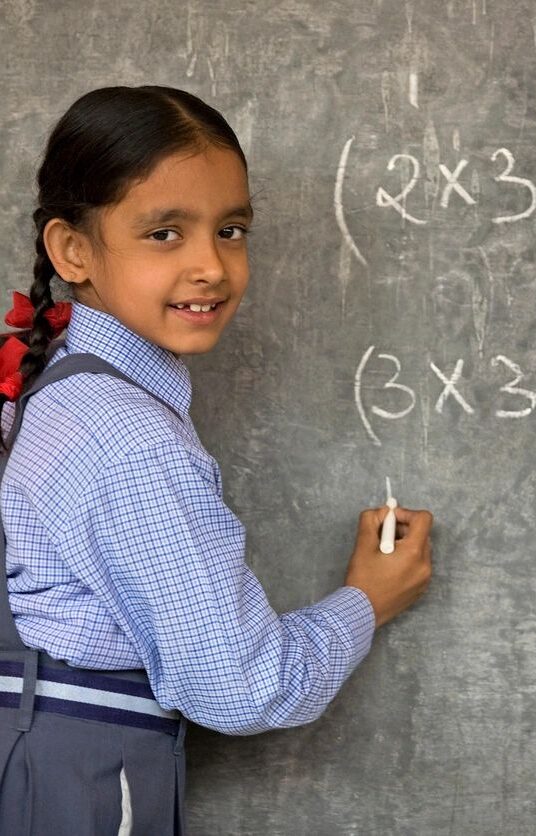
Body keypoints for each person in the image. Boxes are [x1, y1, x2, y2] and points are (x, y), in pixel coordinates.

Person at [0, 85, 433, 835]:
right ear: (73, 251)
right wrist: (369, 598)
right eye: (165, 233)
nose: (211, 266)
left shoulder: (52, 390)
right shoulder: (127, 437)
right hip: (77, 791)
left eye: (231, 230)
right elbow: (242, 687)